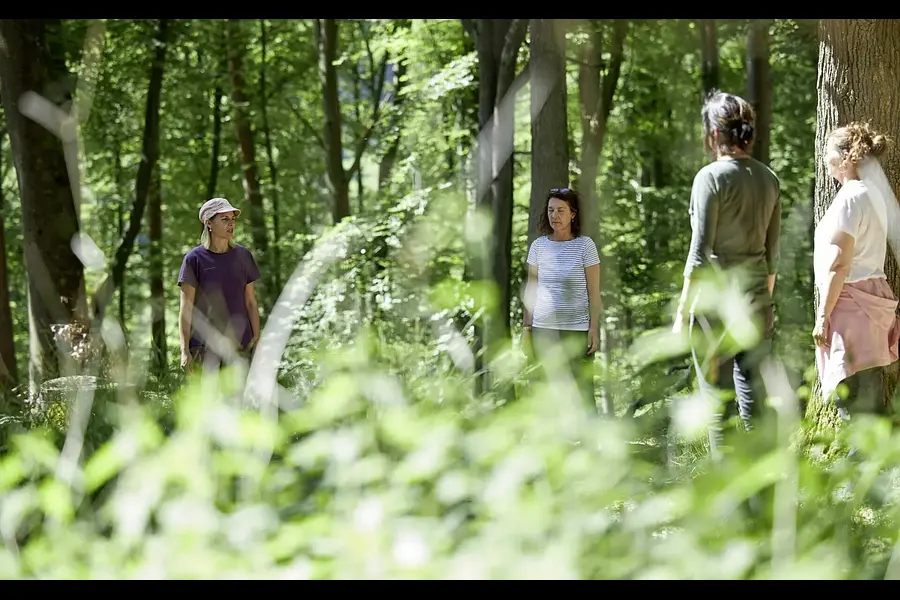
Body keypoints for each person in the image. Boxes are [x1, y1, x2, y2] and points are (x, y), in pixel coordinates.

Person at [672, 90, 782, 456]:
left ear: (714, 134)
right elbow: (773, 255)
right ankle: (760, 487)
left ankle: (729, 498)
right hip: (756, 303)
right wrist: (765, 301)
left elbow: (699, 253)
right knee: (754, 403)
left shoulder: (710, 178)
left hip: (714, 308)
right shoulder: (769, 179)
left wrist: (682, 312)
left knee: (717, 405)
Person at [813, 122, 900, 421]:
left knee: (851, 404)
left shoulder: (851, 197)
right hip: (873, 300)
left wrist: (822, 317)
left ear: (847, 158)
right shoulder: (874, 193)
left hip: (851, 306)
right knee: (872, 400)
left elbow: (840, 263)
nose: (824, 159)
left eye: (828, 152)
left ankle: (867, 463)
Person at [522, 187, 602, 413]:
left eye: (560, 210)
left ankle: (589, 446)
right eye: (550, 210)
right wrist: (527, 328)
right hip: (542, 331)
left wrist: (594, 328)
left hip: (576, 331)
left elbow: (594, 292)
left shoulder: (585, 246)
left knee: (583, 392)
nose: (554, 215)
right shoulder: (538, 246)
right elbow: (531, 288)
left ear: (573, 214)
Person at [178, 197, 261, 373]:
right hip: (204, 347)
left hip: (241, 346)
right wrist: (185, 351)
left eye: (233, 219)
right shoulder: (193, 260)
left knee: (239, 400)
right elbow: (186, 309)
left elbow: (251, 303)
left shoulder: (243, 256)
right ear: (209, 223)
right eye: (224, 219)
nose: (231, 224)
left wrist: (257, 341)